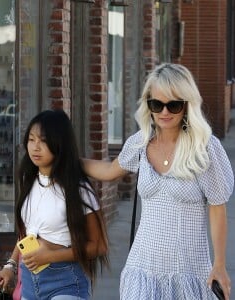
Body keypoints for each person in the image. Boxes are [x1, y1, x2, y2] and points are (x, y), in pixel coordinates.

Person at [83, 63, 234, 300]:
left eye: (173, 105)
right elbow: (110, 170)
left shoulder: (204, 148)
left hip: (189, 272)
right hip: (143, 270)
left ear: (187, 105)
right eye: (156, 104)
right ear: (148, 105)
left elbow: (217, 207)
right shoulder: (140, 143)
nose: (164, 112)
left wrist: (220, 265)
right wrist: (68, 161)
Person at [0, 109, 108, 300]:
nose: (35, 147)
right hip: (29, 283)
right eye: (31, 139)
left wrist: (50, 257)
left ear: (59, 143)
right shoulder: (29, 180)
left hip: (65, 282)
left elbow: (99, 246)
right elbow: (27, 233)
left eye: (43, 140)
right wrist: (10, 266)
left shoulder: (78, 189)